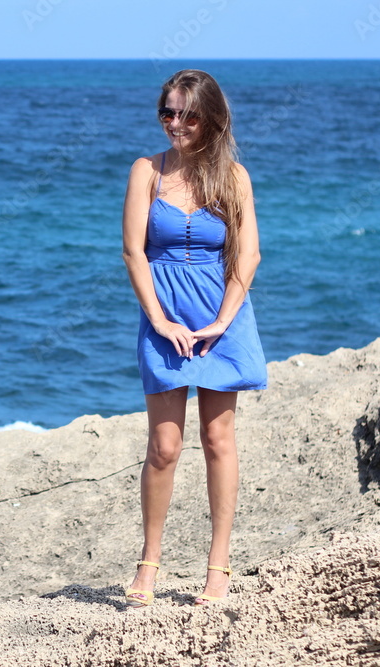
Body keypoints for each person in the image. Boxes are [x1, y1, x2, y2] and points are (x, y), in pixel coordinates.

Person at [120, 69, 268, 607]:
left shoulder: (234, 177)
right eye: (167, 112)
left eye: (187, 114)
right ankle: (149, 563)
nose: (175, 123)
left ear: (211, 119)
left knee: (217, 440)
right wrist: (159, 320)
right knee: (163, 446)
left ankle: (218, 567)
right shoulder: (147, 171)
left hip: (219, 318)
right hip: (165, 316)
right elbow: (135, 252)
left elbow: (247, 255)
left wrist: (222, 321)